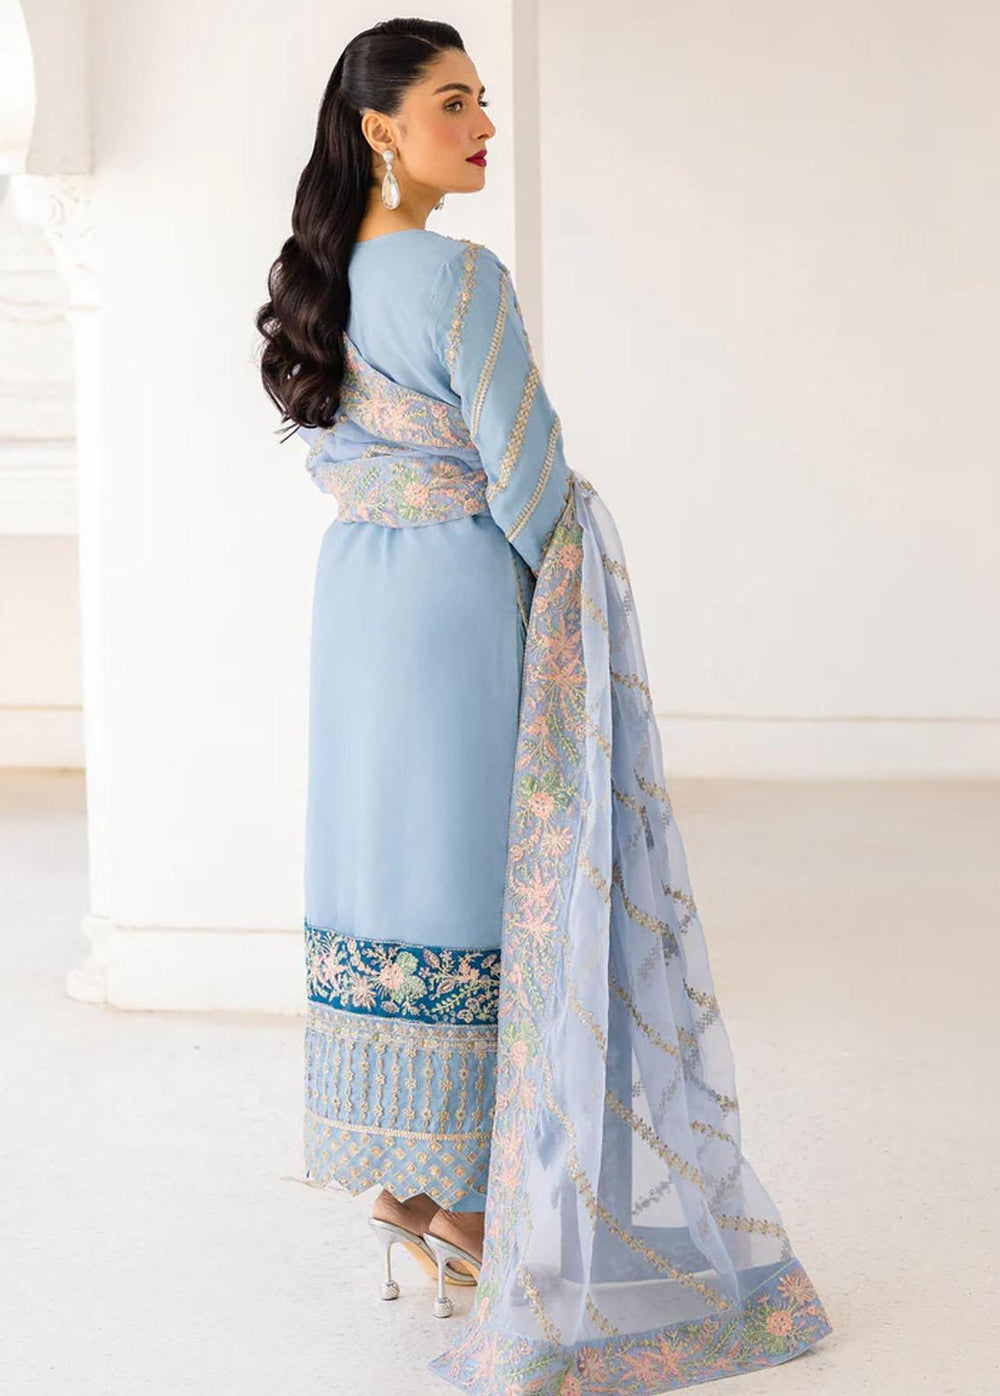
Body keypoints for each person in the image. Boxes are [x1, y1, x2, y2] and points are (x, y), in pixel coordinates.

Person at [256, 18, 833, 1394]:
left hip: (359, 600)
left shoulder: (318, 279)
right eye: (455, 103)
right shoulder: (459, 278)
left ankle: (407, 1188)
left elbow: (337, 452)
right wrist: (559, 592)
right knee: (482, 878)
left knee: (388, 871)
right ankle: (467, 1205)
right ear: (382, 128)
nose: (484, 127)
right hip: (458, 600)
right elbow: (530, 474)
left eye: (483, 100)